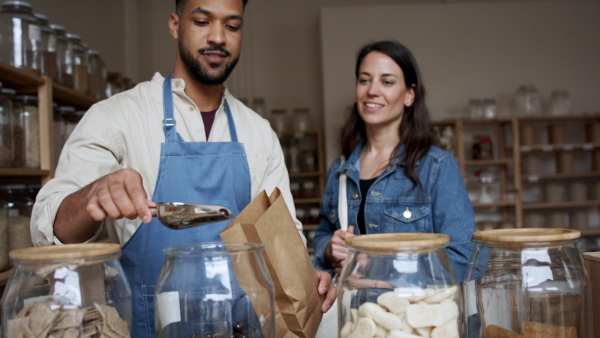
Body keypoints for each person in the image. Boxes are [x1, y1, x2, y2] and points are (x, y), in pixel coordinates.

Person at [30, 0, 335, 336]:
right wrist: (93, 196)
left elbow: (284, 241)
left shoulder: (258, 132)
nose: (218, 37)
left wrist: (307, 277)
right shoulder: (118, 117)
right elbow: (48, 232)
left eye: (232, 26)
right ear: (175, 25)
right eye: (202, 21)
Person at [312, 40, 475, 282]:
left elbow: (462, 258)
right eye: (364, 80)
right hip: (356, 315)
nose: (372, 91)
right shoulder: (341, 169)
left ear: (409, 95)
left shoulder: (437, 167)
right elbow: (323, 234)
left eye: (387, 82)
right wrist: (329, 248)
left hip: (413, 316)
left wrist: (377, 268)